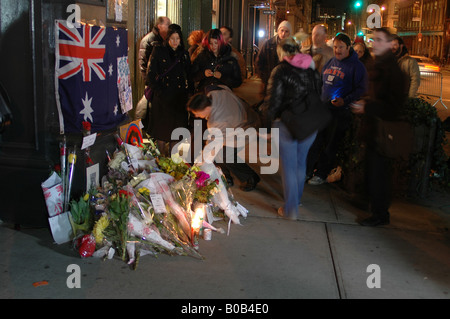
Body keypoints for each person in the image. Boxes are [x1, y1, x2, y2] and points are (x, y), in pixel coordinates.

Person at [263, 36, 327, 219]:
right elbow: (319, 94)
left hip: (287, 124)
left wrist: (267, 125)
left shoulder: (280, 70)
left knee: (289, 167)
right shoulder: (311, 69)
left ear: (282, 52)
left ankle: (290, 209)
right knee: (301, 164)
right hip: (309, 124)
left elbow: (272, 100)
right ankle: (296, 200)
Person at [351, 28, 408, 226]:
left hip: (384, 132)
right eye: (373, 39)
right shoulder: (380, 65)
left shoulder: (393, 71)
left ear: (390, 44)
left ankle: (380, 214)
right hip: (374, 129)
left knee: (379, 173)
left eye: (378, 40)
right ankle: (366, 200)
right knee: (372, 169)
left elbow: (393, 106)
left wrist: (367, 106)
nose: (374, 43)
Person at [308, 32, 368, 185]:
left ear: (349, 47)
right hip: (323, 109)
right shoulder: (330, 62)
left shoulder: (357, 67)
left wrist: (345, 100)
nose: (337, 50)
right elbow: (322, 83)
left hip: (340, 112)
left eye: (341, 47)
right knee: (315, 141)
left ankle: (321, 174)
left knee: (330, 144)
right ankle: (307, 171)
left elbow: (361, 89)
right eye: (335, 47)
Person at [186, 86, 260, 191]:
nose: (197, 116)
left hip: (246, 127)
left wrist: (201, 162)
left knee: (226, 156)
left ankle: (251, 177)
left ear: (206, 109)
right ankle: (226, 176)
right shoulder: (214, 94)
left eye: (197, 113)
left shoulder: (217, 121)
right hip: (244, 117)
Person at [145, 24, 193, 157]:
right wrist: (159, 90)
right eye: (172, 38)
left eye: (177, 38)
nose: (175, 42)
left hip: (179, 98)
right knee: (162, 131)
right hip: (162, 98)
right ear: (167, 38)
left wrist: (190, 93)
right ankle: (161, 159)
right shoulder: (159, 50)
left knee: (176, 132)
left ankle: (172, 160)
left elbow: (189, 75)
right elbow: (151, 74)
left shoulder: (183, 54)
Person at [135, 17, 171, 127]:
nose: (169, 27)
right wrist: (149, 81)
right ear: (159, 26)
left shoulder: (166, 39)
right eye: (167, 25)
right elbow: (143, 64)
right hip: (153, 83)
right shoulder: (149, 40)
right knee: (150, 108)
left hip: (164, 82)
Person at [191, 29, 242, 93]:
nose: (213, 46)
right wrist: (203, 73)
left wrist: (222, 77)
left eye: (216, 43)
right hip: (205, 93)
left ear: (221, 42)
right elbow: (192, 76)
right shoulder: (202, 56)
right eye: (211, 43)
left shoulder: (230, 59)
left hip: (223, 94)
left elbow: (238, 82)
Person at [255, 20, 292, 91]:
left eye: (286, 31)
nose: (283, 33)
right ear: (278, 31)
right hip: (269, 81)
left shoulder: (292, 46)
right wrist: (265, 78)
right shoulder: (268, 44)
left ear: (289, 33)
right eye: (282, 30)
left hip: (285, 83)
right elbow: (259, 62)